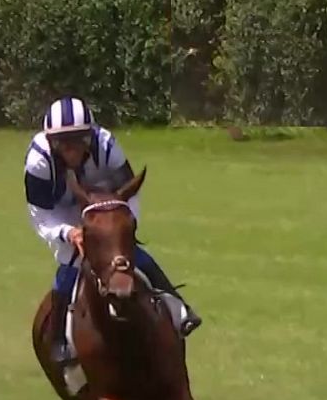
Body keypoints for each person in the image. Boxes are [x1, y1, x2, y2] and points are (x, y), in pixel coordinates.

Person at [25, 96, 201, 365]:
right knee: (70, 261)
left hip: (108, 208)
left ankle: (179, 308)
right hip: (65, 213)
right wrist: (68, 233)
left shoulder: (107, 145)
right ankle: (60, 338)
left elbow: (130, 192)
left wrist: (122, 230)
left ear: (90, 136)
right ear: (51, 141)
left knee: (131, 255)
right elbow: (40, 214)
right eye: (62, 142)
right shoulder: (38, 161)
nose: (71, 150)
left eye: (79, 140)